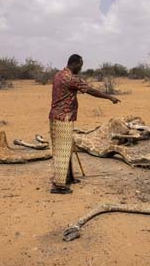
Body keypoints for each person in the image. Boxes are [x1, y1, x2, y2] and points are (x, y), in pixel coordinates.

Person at [48, 54, 121, 194]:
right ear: (75, 64)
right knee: (62, 151)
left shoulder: (58, 75)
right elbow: (90, 90)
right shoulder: (71, 78)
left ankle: (67, 178)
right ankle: (58, 185)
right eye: (80, 65)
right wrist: (109, 97)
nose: (81, 68)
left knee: (66, 148)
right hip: (64, 118)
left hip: (55, 116)